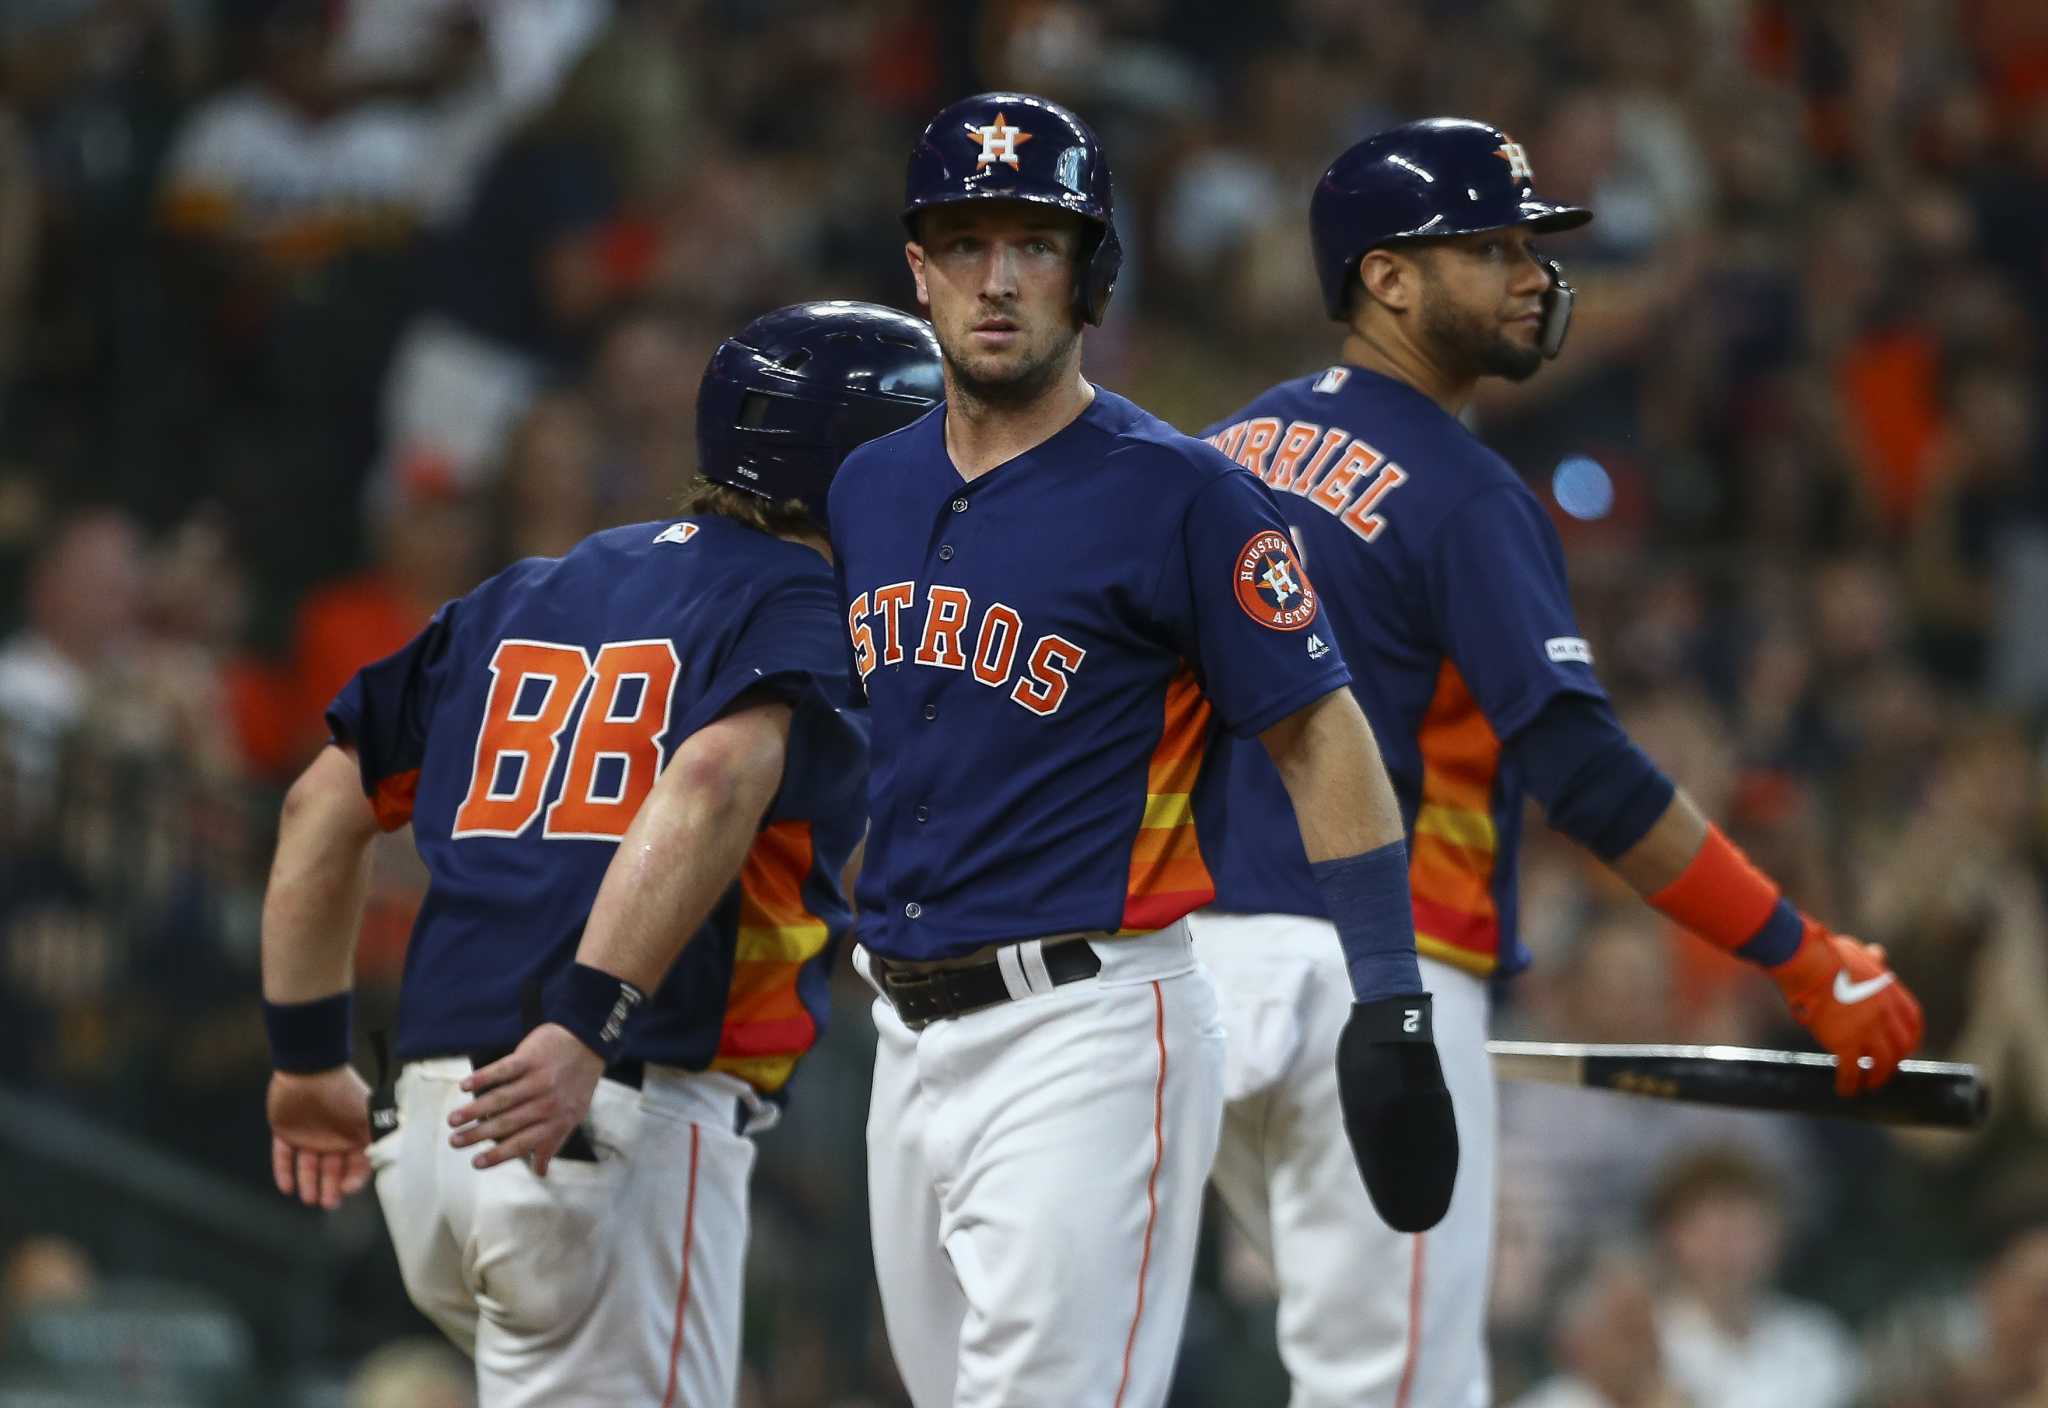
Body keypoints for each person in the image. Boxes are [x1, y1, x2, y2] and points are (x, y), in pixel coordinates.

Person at [1183, 117, 1927, 1408]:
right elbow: (1583, 773)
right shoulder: (1463, 491)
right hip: (1380, 985)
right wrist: (1800, 954)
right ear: (1386, 278)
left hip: (1188, 981)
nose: (1532, 274)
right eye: (1489, 246)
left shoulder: (1217, 454)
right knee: (1397, 1391)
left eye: (1530, 247)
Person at [829, 92, 1456, 1408]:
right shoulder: (867, 486)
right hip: (904, 1030)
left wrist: (1392, 1002)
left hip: (1089, 1025)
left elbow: (1322, 735)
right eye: (963, 242)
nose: (996, 281)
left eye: (1036, 245)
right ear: (917, 269)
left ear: (1093, 273)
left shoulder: (1184, 492)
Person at [258, 301, 944, 1407]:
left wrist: (301, 1061)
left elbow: (316, 811)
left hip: (425, 1132)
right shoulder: (805, 597)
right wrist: (585, 1019)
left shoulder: (523, 590)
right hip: (595, 1106)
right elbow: (715, 778)